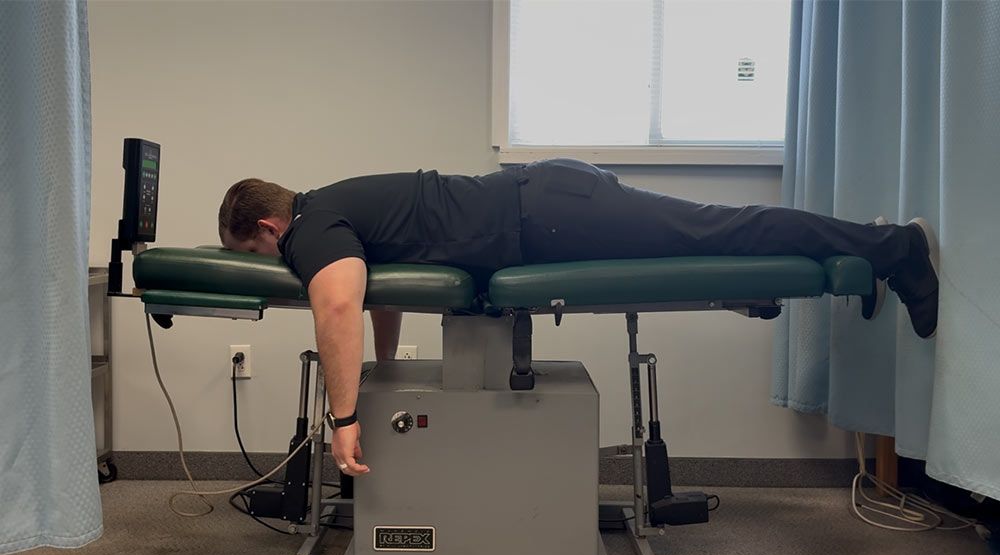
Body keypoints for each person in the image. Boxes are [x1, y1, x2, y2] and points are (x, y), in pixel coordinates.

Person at [217, 158, 939, 477]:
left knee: (726, 232)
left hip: (552, 216)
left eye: (257, 252)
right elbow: (379, 293)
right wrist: (378, 372)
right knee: (716, 235)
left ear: (270, 228)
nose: (277, 264)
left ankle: (896, 248)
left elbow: (338, 299)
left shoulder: (311, 230)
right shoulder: (332, 208)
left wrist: (343, 419)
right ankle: (865, 262)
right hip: (549, 205)